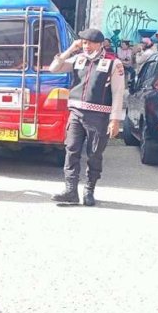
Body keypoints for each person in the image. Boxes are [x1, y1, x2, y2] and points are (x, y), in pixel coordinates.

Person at [49, 28, 126, 206]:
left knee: (94, 154)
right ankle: (70, 191)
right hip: (76, 112)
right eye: (84, 42)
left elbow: (118, 92)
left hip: (99, 116)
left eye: (90, 43)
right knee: (72, 151)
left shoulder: (113, 63)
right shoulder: (78, 59)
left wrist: (115, 120)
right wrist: (71, 49)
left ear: (100, 44)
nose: (87, 46)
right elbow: (55, 68)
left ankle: (89, 190)